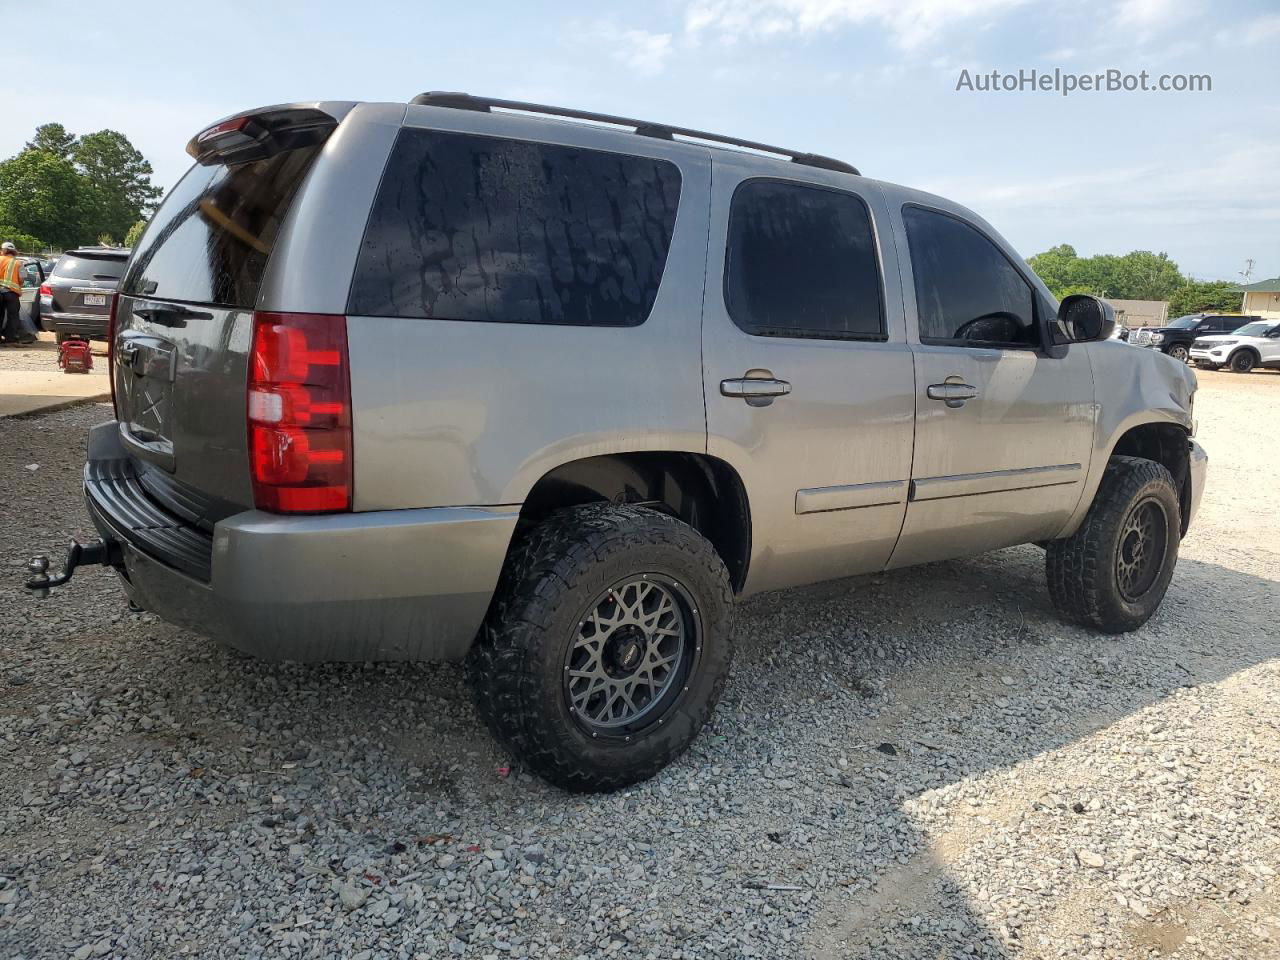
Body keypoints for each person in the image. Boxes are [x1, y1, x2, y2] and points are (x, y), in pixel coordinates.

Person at [0, 241, 35, 345]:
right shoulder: (18, 263)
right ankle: (10, 338)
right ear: (14, 251)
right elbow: (22, 278)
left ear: (3, 251)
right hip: (11, 293)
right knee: (13, 316)